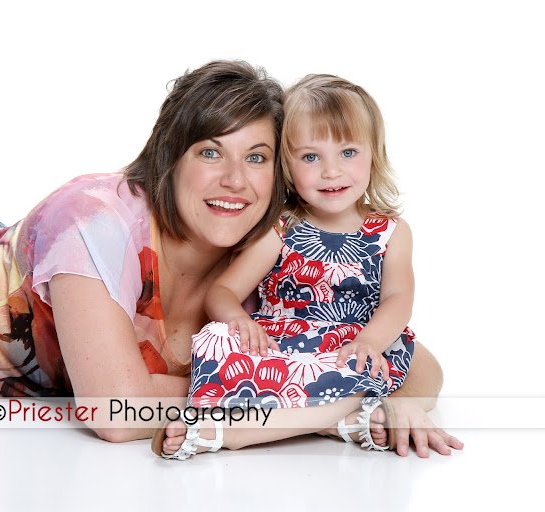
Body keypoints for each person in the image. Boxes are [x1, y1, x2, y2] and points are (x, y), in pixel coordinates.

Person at [0, 61, 458, 457]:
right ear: (170, 158)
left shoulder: (269, 251)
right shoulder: (88, 221)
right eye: (211, 151)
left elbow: (418, 370)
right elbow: (117, 411)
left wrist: (315, 394)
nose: (235, 180)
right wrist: (331, 407)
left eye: (257, 157)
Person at [155, 74, 464, 459]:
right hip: (283, 349)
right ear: (286, 165)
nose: (331, 171)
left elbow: (398, 298)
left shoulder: (390, 231)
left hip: (350, 348)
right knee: (216, 337)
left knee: (405, 368)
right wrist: (238, 320)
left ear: (374, 153)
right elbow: (223, 291)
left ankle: (236, 432)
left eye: (348, 152)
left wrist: (370, 341)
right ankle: (342, 421)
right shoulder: (280, 228)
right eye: (311, 157)